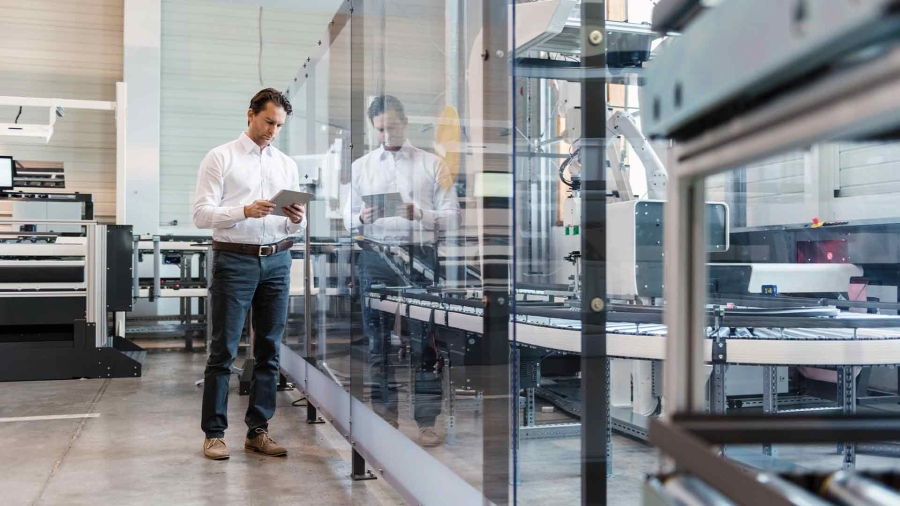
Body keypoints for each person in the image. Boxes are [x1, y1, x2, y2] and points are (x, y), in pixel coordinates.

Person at [193, 88, 306, 460]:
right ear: (251, 115)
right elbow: (201, 215)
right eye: (268, 121)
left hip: (277, 261)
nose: (273, 130)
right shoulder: (220, 157)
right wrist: (244, 211)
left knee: (269, 351)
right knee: (223, 350)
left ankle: (258, 431)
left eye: (279, 125)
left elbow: (292, 227)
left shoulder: (286, 164)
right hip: (234, 261)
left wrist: (296, 221)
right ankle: (214, 434)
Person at [342, 95, 460, 447]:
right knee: (378, 344)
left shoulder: (432, 164)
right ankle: (385, 419)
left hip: (420, 257)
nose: (386, 133)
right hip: (375, 256)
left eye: (392, 126)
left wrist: (420, 213)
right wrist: (359, 219)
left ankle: (426, 421)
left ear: (405, 122)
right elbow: (346, 218)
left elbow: (453, 218)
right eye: (380, 128)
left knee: (425, 342)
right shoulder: (361, 167)